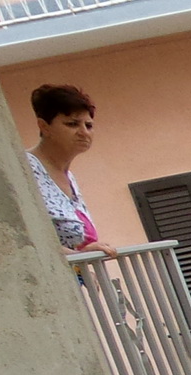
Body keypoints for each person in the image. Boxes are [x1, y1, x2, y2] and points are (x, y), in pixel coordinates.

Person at [23, 84, 115, 257]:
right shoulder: (24, 168)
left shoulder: (70, 178)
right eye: (72, 124)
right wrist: (78, 257)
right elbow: (24, 237)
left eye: (89, 125)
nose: (84, 133)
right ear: (44, 127)